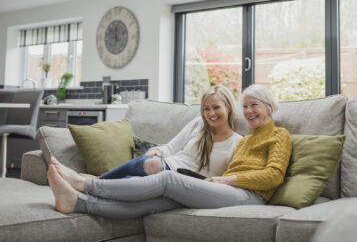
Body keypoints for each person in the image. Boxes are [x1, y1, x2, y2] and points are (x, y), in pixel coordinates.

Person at [47, 84, 292, 219]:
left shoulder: (279, 135)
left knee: (166, 178)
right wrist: (224, 180)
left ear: (269, 107)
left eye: (254, 106)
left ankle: (86, 185)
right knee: (157, 201)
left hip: (249, 195)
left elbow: (274, 176)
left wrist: (229, 179)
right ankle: (78, 204)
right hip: (226, 188)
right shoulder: (247, 140)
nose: (249, 111)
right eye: (246, 106)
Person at [96, 85, 242, 179]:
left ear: (228, 107)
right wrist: (158, 151)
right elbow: (170, 148)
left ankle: (96, 181)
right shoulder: (198, 123)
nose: (211, 114)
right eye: (206, 109)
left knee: (146, 170)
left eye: (216, 107)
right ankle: (96, 183)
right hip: (169, 166)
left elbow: (229, 176)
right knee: (134, 178)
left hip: (188, 181)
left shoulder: (237, 142)